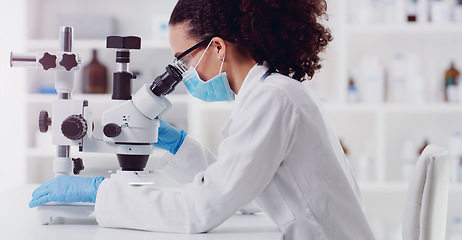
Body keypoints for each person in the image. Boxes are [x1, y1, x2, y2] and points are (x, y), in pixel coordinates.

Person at [29, 0, 375, 239]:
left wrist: (98, 191)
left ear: (218, 48)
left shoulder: (273, 100)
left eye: (183, 58)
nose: (183, 72)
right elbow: (249, 192)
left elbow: (197, 211)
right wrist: (175, 146)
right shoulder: (274, 93)